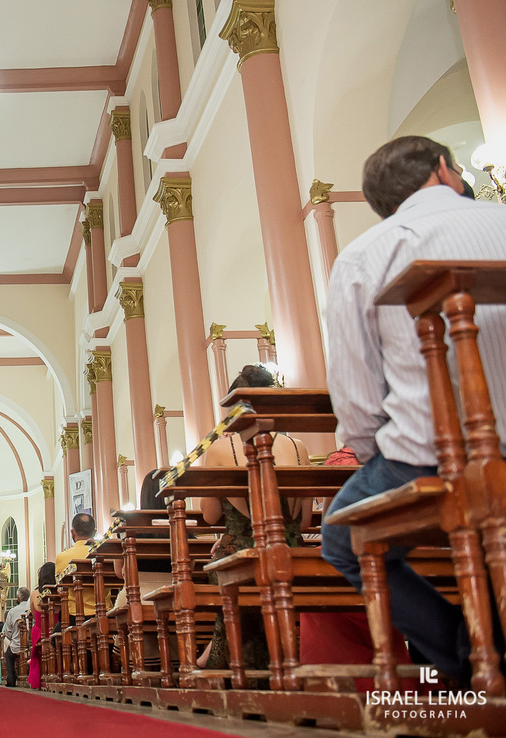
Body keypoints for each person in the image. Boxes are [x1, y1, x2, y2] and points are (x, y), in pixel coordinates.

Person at [321, 135, 506, 685]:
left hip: (428, 452)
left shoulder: (362, 256)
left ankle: (466, 654)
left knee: (343, 536)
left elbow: (355, 396)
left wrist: (377, 452)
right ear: (446, 170)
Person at [197, 364, 308, 670]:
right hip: (293, 550)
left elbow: (209, 515)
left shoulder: (221, 449)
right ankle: (279, 658)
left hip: (246, 552)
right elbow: (306, 522)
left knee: (222, 560)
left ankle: (239, 662)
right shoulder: (298, 447)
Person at [54, 512, 97, 620]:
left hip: (74, 616)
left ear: (72, 533)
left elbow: (60, 590)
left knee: (55, 635)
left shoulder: (62, 557)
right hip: (104, 613)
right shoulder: (105, 553)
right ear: (94, 532)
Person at [29, 562, 57, 688]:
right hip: (56, 628)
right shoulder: (60, 591)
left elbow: (35, 613)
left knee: (36, 629)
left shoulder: (35, 594)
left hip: (41, 630)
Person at [1, 586, 31, 686]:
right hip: (31, 644)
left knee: (9, 655)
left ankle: (11, 677)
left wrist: (12, 638)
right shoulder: (32, 607)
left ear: (18, 598)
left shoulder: (12, 611)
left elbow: (8, 632)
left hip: (17, 644)